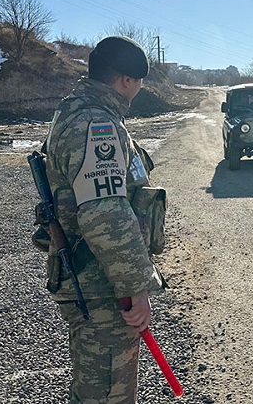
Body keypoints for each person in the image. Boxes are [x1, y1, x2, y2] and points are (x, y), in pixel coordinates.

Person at [39, 36, 167, 403]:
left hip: (96, 279)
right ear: (126, 80)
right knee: (108, 393)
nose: (140, 88)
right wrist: (135, 286)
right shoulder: (95, 123)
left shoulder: (79, 110)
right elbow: (105, 213)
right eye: (139, 81)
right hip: (102, 286)